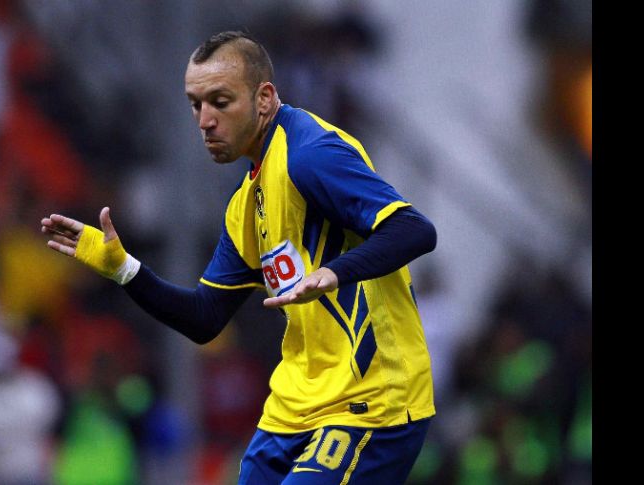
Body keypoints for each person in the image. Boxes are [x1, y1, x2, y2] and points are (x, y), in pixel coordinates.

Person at [42, 30, 437, 485]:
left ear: (264, 98)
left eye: (220, 101)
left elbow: (413, 229)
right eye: (196, 104)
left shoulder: (310, 155)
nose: (205, 120)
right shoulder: (245, 203)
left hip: (372, 400)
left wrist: (335, 271)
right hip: (295, 405)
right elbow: (205, 317)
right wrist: (124, 269)